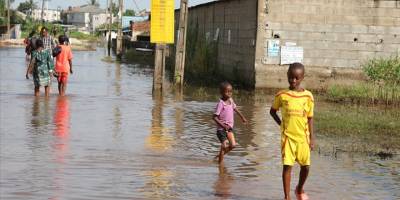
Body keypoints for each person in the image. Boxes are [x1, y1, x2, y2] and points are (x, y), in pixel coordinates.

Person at [269, 62, 315, 200]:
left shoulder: (308, 96)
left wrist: (312, 138)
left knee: (306, 167)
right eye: (291, 77)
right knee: (287, 166)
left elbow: (310, 118)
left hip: (303, 138)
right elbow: (272, 112)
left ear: (302, 78)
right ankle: (287, 197)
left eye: (297, 78)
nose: (293, 81)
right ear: (287, 76)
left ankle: (299, 188)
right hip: (288, 138)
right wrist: (281, 124)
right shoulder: (282, 95)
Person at [213, 81, 247, 164]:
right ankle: (220, 166)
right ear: (221, 92)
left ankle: (220, 155)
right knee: (224, 146)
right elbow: (214, 117)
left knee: (233, 145)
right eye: (227, 91)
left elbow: (235, 109)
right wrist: (223, 125)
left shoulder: (231, 101)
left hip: (229, 129)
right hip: (221, 129)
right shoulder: (221, 104)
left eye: (230, 91)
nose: (229, 93)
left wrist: (242, 117)